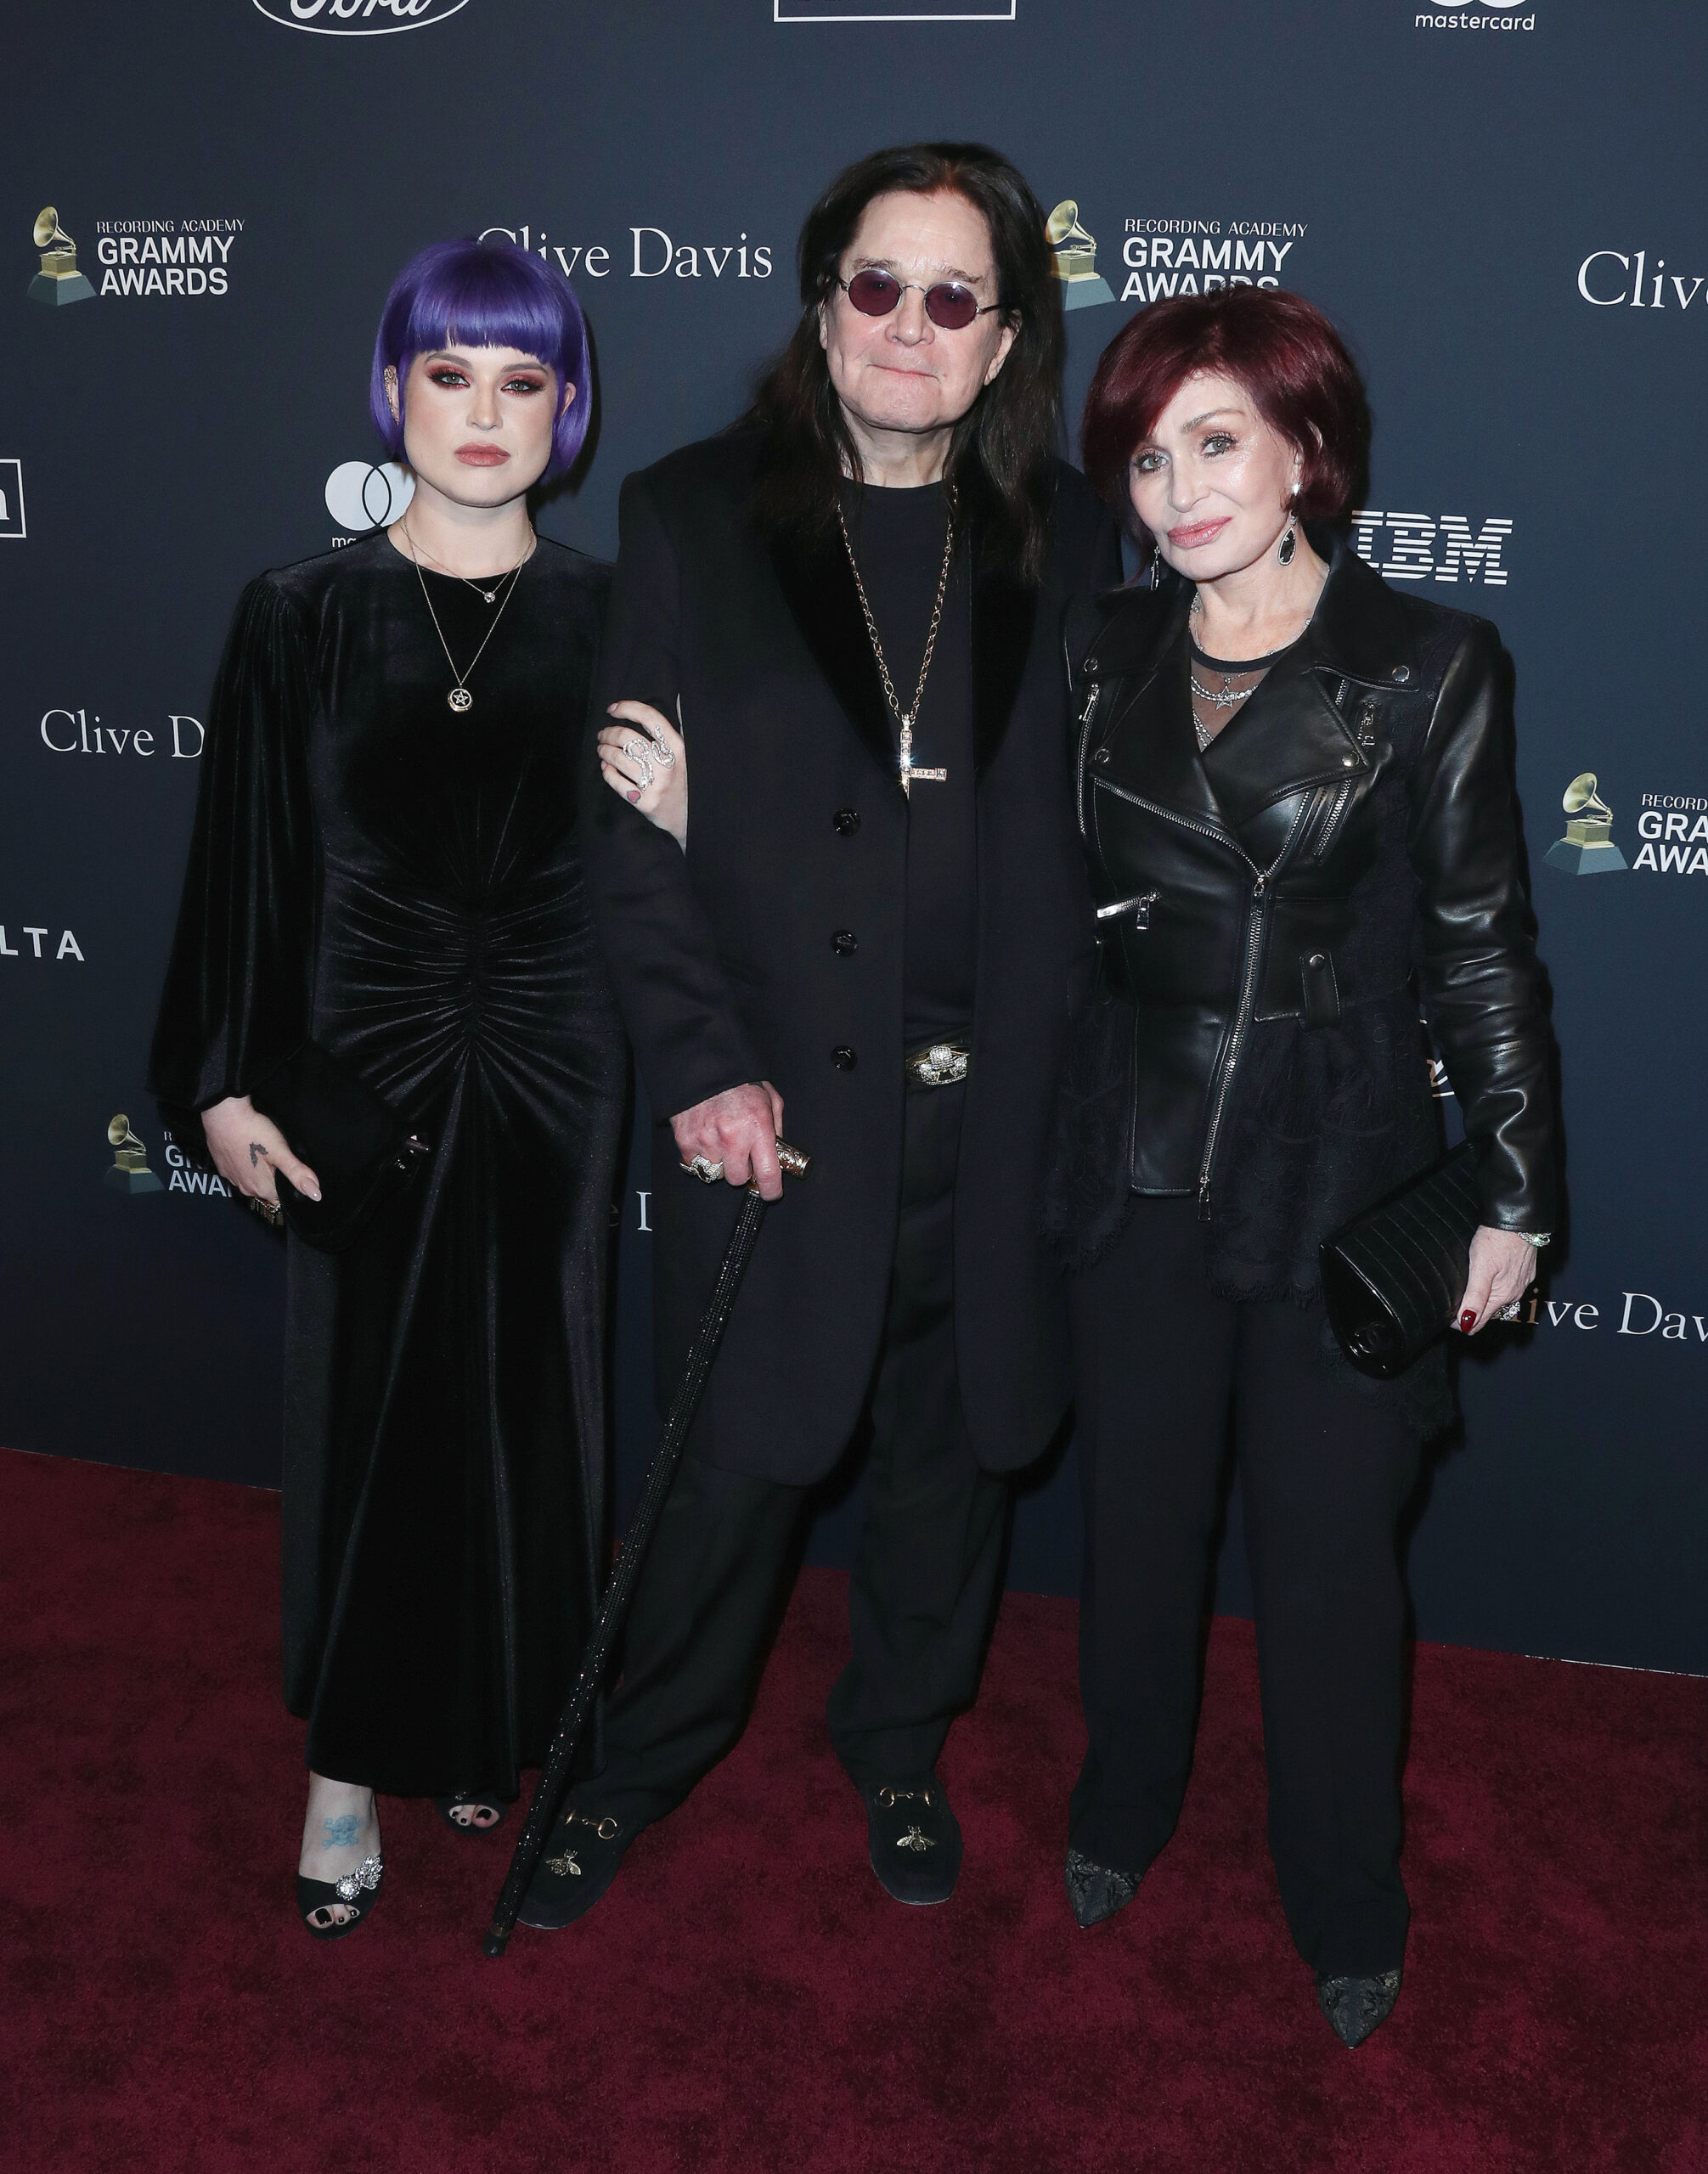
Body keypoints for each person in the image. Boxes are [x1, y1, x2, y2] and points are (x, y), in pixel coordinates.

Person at [520, 142, 1120, 1931]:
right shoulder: (695, 515)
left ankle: (901, 1742)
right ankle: (628, 1764)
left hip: (1005, 1106)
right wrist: (701, 1059)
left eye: (956, 296)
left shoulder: (1081, 536)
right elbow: (630, 840)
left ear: (1009, 336)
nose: (910, 325)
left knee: (951, 1456)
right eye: (877, 284)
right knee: (731, 1461)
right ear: (820, 299)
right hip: (773, 1105)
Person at [1048, 286, 1554, 2046]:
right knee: (1139, 1523)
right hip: (1135, 1149)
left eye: (1214, 443)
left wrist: (1510, 1184)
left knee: (1334, 1558)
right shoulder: (1094, 649)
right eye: (1142, 455)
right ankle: (1124, 1800)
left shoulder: (1426, 665)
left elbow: (1483, 942)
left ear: (1302, 453)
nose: (1174, 489)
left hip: (1334, 1158)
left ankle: (1344, 1887)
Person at [149, 238, 624, 1938]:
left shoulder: (612, 613)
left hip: (559, 1063)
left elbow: (672, 883)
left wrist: (703, 809)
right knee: (365, 1414)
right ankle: (346, 1766)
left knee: (531, 1401)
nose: (481, 413)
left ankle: (495, 1715)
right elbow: (244, 868)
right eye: (448, 374)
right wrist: (217, 1081)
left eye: (520, 381)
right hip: (359, 1062)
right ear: (394, 389)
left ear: (566, 410)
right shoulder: (301, 611)